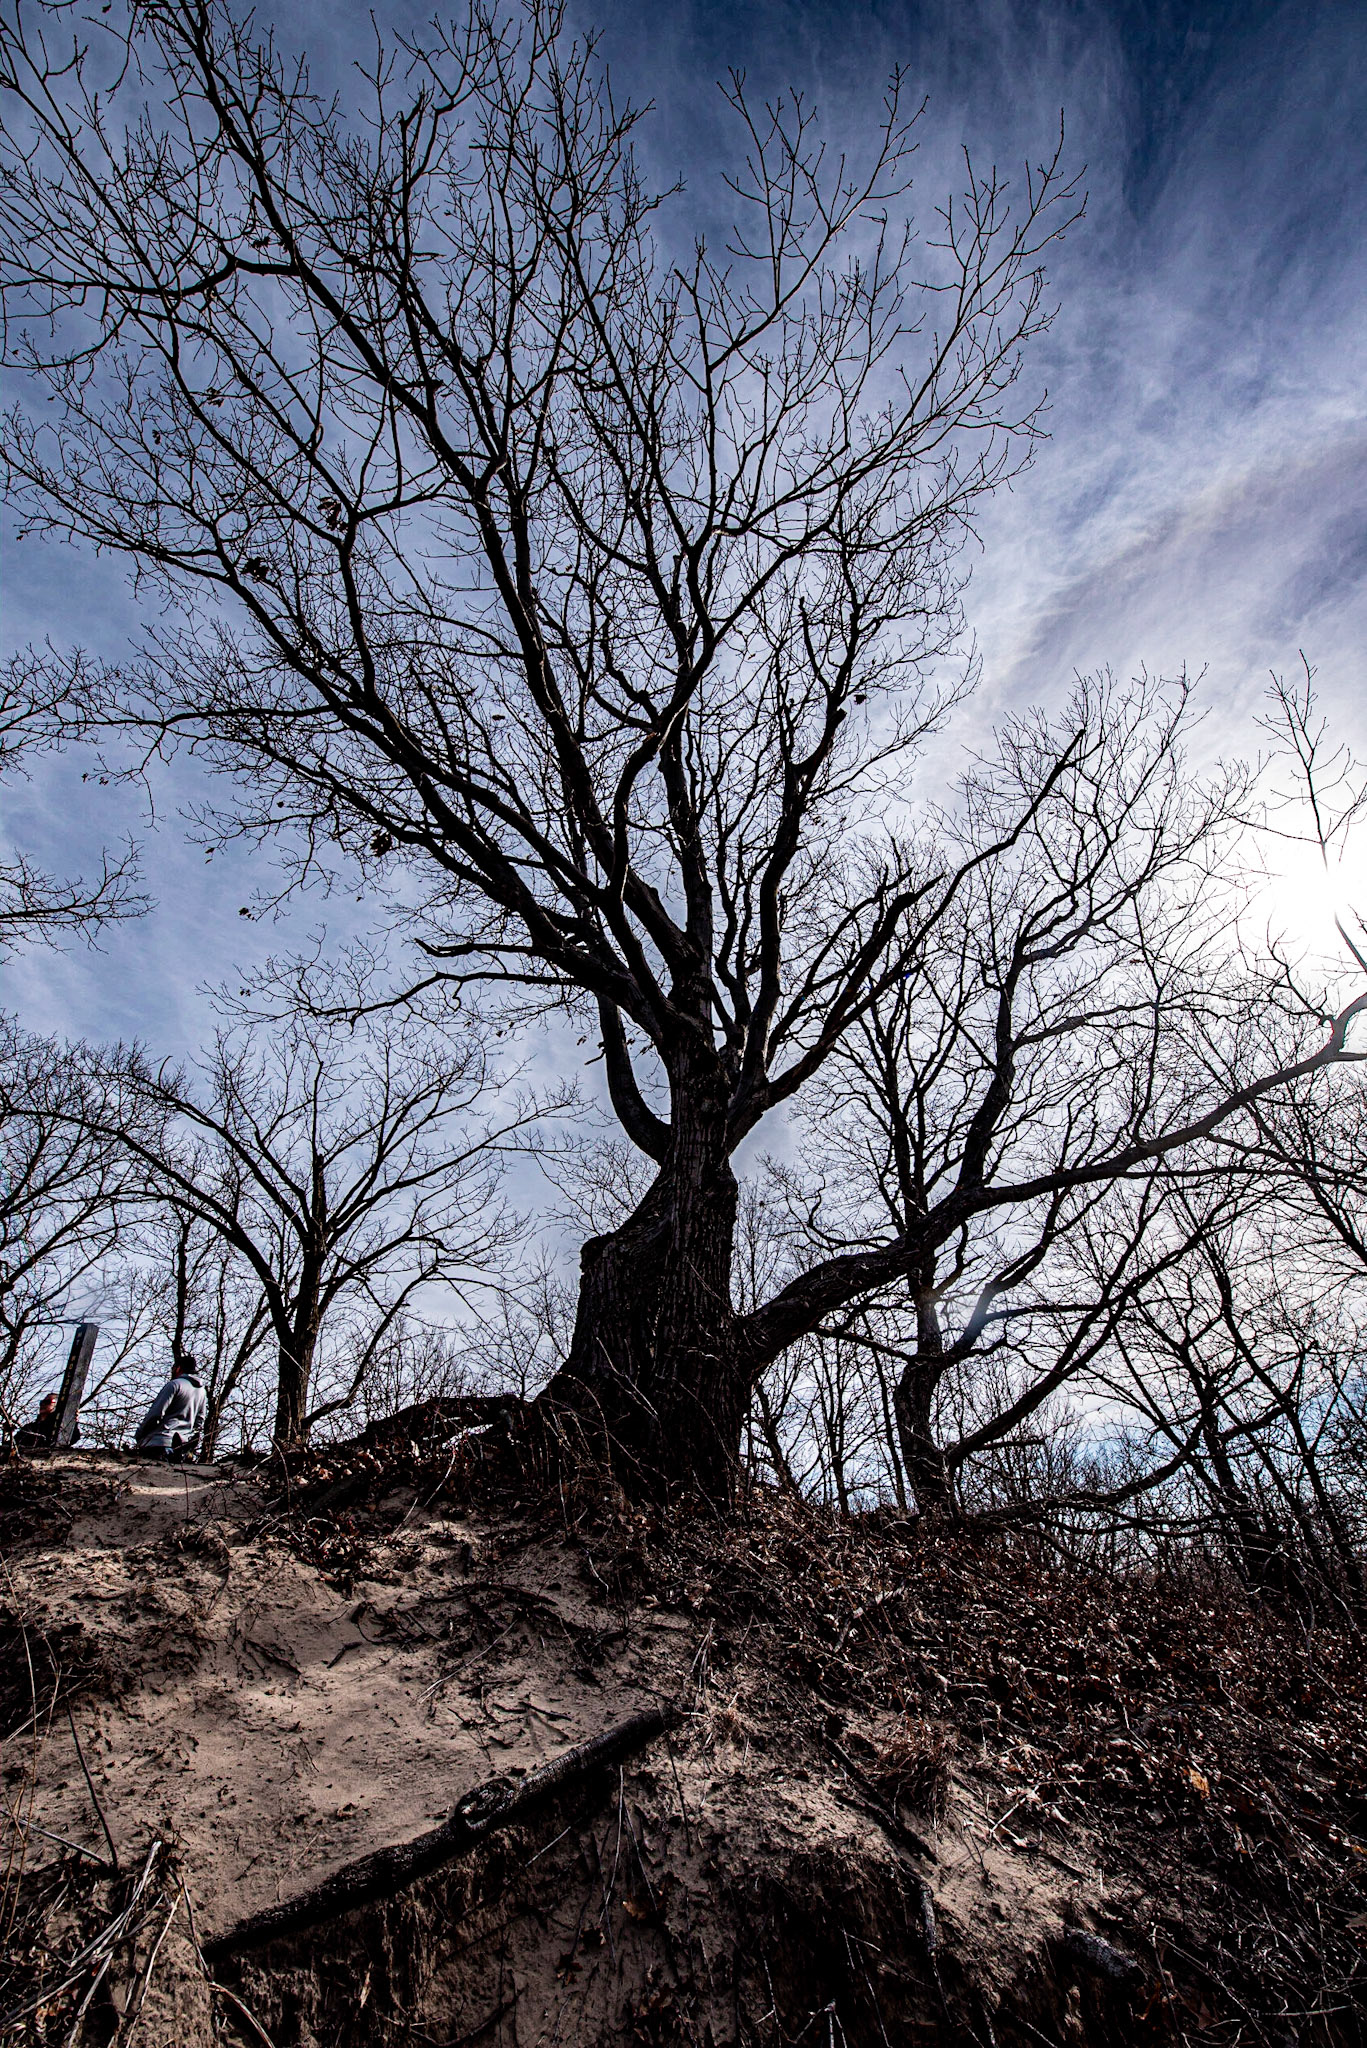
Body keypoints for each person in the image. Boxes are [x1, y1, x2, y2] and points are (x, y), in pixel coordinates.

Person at [134, 1357, 207, 1462]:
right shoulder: (202, 1392)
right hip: (182, 1446)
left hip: (160, 1442)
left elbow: (155, 1415)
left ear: (178, 1368)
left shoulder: (174, 1385)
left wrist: (140, 1434)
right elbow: (199, 1421)